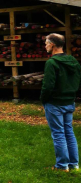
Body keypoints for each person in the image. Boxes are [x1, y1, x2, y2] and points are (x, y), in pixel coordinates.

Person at [41, 33, 81, 172]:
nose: (45, 45)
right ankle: (74, 165)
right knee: (69, 132)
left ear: (52, 44)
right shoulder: (73, 61)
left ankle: (62, 166)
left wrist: (43, 100)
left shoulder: (51, 62)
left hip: (55, 103)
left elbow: (48, 86)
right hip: (69, 102)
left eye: (46, 43)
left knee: (58, 134)